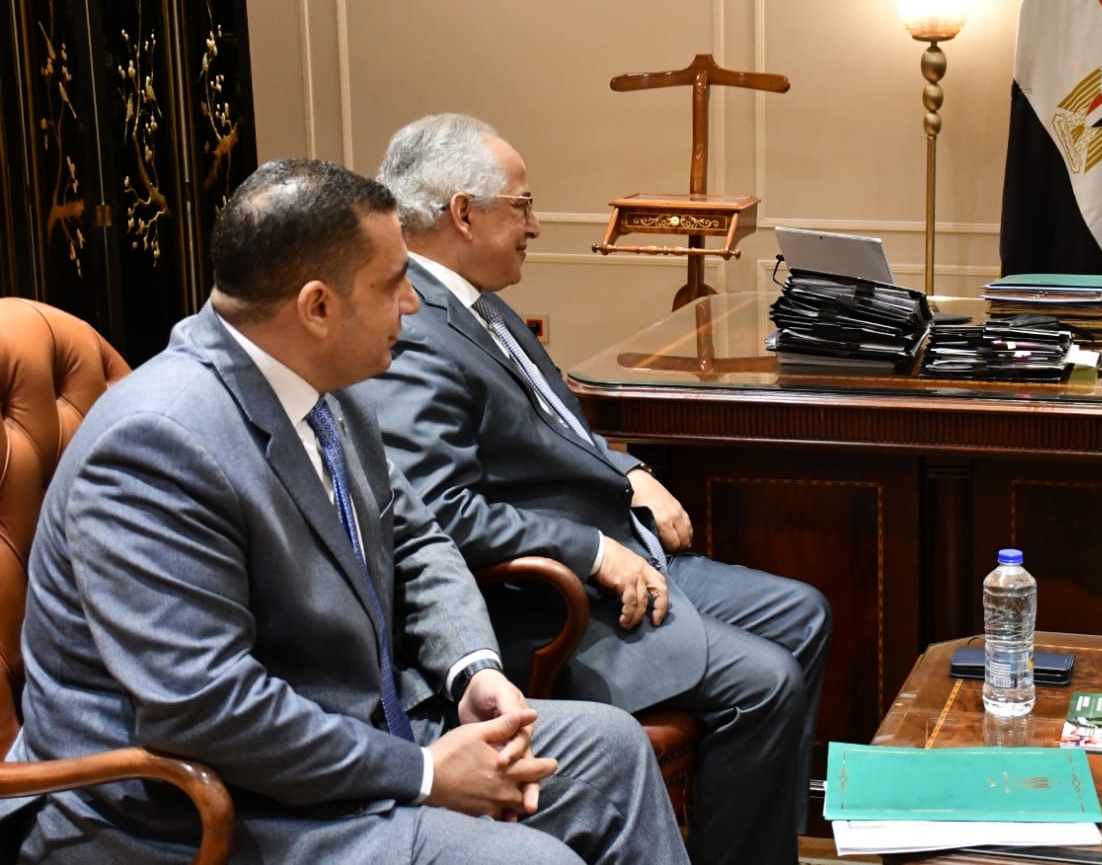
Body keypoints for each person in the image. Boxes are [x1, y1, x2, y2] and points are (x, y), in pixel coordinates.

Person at [6, 160, 688, 864]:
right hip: (186, 807)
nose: (413, 303)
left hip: (354, 734)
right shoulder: (157, 444)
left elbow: (417, 539)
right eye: (393, 284)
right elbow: (205, 707)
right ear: (318, 308)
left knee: (611, 752)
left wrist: (473, 670)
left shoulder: (330, 384)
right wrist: (424, 775)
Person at [350, 113, 832, 865]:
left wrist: (629, 472)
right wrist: (592, 551)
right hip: (549, 601)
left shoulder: (477, 301)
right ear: (463, 213)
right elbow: (440, 512)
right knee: (765, 682)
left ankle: (752, 845)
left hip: (619, 550)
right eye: (522, 205)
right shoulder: (416, 327)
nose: (536, 225)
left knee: (803, 614)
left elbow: (554, 430)